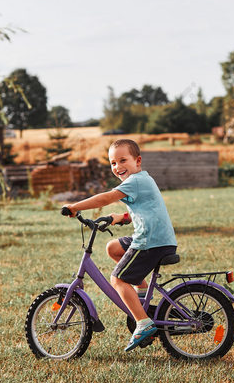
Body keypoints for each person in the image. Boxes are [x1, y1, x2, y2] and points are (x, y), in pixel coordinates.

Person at [64, 139, 177, 351]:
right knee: (113, 248)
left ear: (138, 161)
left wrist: (75, 206)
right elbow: (147, 209)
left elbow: (105, 198)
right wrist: (122, 217)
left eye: (123, 160)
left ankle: (143, 323)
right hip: (156, 238)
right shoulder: (141, 180)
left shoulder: (135, 181)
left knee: (118, 279)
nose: (118, 167)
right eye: (113, 163)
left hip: (150, 242)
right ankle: (142, 293)